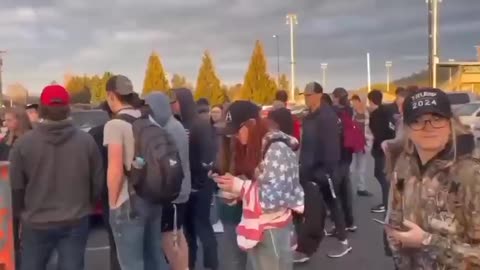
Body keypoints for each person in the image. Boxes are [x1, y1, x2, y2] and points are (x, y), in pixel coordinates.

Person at [9, 85, 104, 270]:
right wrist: (88, 206)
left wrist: (21, 214)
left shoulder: (23, 144)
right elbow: (97, 181)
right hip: (76, 219)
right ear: (68, 108)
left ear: (41, 109)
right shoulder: (86, 141)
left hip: (36, 221)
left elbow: (16, 187)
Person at [386, 88, 480, 269]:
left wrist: (427, 242)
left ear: (450, 123)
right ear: (407, 128)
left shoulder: (471, 174)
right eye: (418, 120)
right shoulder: (404, 165)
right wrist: (395, 237)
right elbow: (396, 213)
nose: (427, 127)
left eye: (436, 119)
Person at [214, 100, 304, 270]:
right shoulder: (258, 145)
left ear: (252, 124)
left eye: (237, 130)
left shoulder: (276, 149)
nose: (234, 136)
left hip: (272, 230)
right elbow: (262, 183)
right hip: (261, 227)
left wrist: (241, 187)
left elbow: (275, 198)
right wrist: (237, 192)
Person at [103, 75, 165, 270]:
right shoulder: (150, 120)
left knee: (132, 264)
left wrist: (113, 203)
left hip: (128, 202)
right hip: (153, 197)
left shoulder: (115, 125)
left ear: (111, 95)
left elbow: (115, 169)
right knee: (155, 257)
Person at [295, 82, 352, 262]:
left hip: (321, 172)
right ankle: (340, 240)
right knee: (327, 205)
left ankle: (308, 249)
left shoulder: (326, 117)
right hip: (309, 169)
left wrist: (324, 173)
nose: (306, 98)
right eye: (304, 95)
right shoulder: (310, 116)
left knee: (319, 208)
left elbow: (331, 149)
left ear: (319, 95)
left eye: (309, 95)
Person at [173, 88, 218, 270]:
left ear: (182, 101)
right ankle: (189, 265)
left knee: (203, 227)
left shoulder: (200, 124)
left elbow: (207, 157)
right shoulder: (179, 123)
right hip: (186, 187)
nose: (172, 105)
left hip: (200, 186)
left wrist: (198, 183)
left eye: (175, 101)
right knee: (188, 231)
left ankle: (211, 265)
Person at [145, 92, 191, 270]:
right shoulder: (175, 126)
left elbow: (167, 164)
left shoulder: (168, 130)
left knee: (169, 239)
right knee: (177, 235)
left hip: (174, 194)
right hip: (181, 191)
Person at [87, 102, 121, 270]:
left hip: (105, 192)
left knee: (114, 241)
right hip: (128, 191)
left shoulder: (95, 133)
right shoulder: (130, 129)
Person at [327, 87, 356, 235]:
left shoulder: (333, 112)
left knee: (335, 192)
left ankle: (339, 226)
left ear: (336, 97)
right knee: (346, 188)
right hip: (347, 153)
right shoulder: (350, 110)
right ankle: (349, 222)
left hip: (335, 154)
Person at [368, 90, 395, 213]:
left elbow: (377, 133)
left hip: (381, 149)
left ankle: (386, 203)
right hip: (387, 147)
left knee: (382, 176)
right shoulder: (387, 111)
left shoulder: (376, 114)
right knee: (382, 175)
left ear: (371, 101)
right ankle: (388, 201)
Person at [350, 95, 373, 196]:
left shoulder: (368, 113)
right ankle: (346, 188)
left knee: (362, 168)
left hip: (364, 143)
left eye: (356, 101)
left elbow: (370, 129)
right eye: (353, 101)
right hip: (352, 143)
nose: (354, 103)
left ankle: (361, 188)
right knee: (350, 167)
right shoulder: (351, 113)